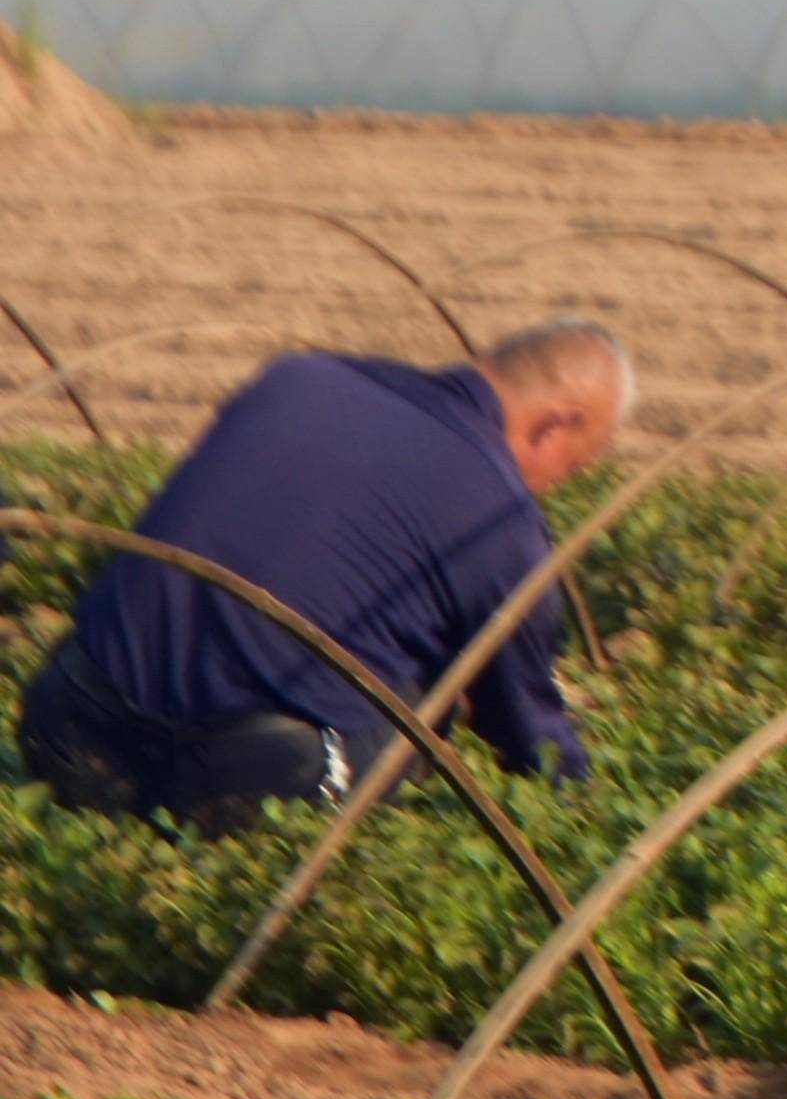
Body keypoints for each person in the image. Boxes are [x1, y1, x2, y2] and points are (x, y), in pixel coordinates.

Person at [16, 321, 628, 832]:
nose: (548, 489)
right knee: (423, 704)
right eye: (569, 469)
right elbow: (529, 737)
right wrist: (585, 818)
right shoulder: (499, 515)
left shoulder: (299, 378)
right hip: (249, 784)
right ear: (556, 424)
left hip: (70, 725)